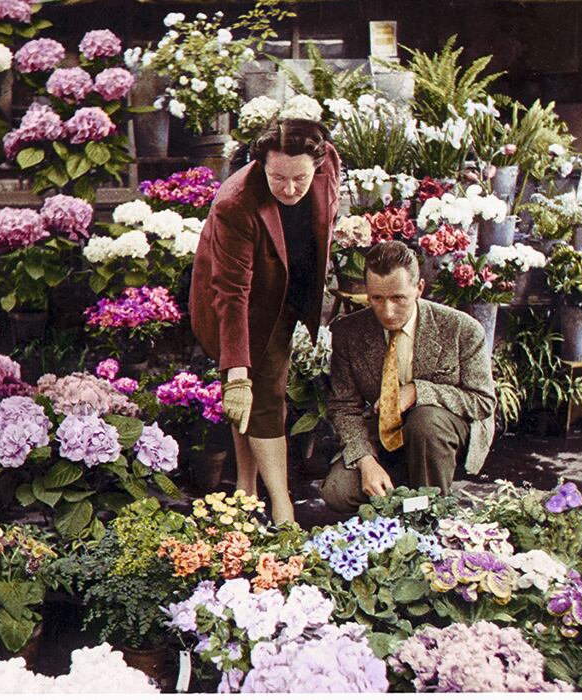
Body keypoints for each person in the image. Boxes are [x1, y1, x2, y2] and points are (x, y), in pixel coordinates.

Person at [189, 118, 341, 525]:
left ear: (318, 164)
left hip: (286, 281)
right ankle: (282, 505)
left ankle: (246, 487)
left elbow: (324, 214)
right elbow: (231, 292)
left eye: (300, 179)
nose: (290, 189)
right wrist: (236, 372)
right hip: (234, 298)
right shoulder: (235, 202)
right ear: (261, 167)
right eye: (278, 178)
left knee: (256, 394)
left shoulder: (329, 162)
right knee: (260, 391)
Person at [320, 241, 495, 514]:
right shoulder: (348, 333)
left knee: (425, 421)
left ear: (419, 289)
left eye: (398, 298)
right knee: (337, 492)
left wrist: (417, 391)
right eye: (376, 298)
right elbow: (344, 407)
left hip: (440, 433)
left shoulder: (462, 329)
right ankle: (402, 496)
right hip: (385, 434)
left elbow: (482, 402)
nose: (387, 312)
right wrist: (366, 461)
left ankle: (431, 513)